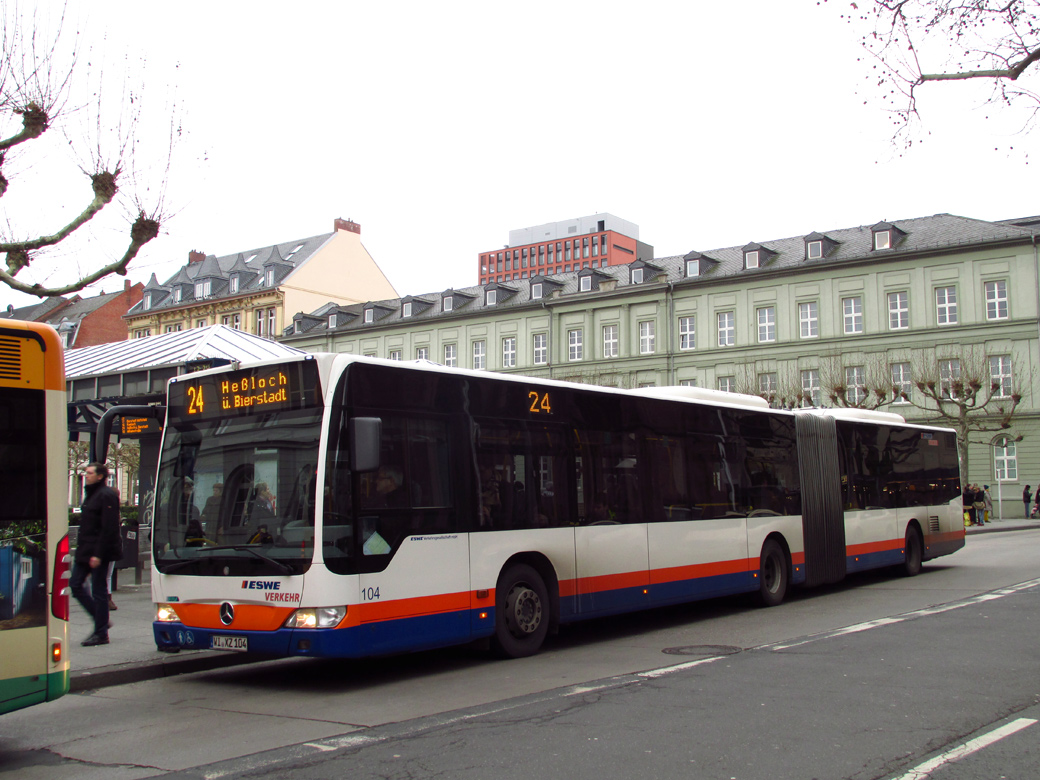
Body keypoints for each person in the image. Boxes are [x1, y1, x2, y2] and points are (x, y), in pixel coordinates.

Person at [71, 462, 122, 646]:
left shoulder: (106, 495)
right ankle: (101, 620)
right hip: (86, 550)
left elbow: (108, 528)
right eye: (86, 472)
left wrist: (98, 554)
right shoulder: (91, 494)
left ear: (100, 476)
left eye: (90, 472)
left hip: (98, 552)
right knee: (75, 584)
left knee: (99, 590)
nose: (87, 475)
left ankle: (101, 633)